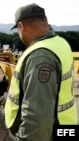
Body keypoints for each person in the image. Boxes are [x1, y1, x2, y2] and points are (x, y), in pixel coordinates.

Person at [5, 3, 78, 141]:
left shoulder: (39, 56)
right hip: (65, 127)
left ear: (22, 26)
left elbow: (37, 116)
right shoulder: (60, 43)